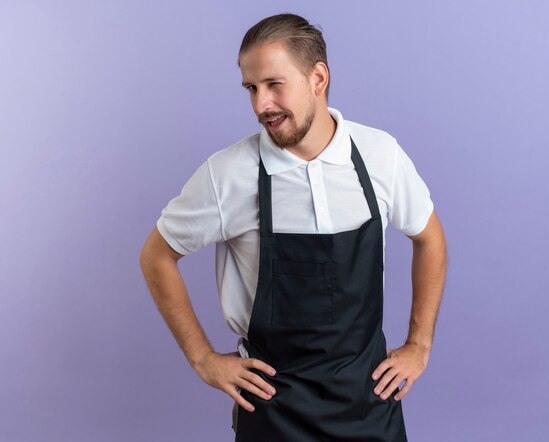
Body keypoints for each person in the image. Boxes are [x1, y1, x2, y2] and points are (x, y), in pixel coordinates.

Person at [139, 13, 447, 442]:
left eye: (273, 84)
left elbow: (429, 237)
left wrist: (419, 345)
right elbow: (156, 255)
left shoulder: (379, 155)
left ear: (318, 78)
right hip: (274, 408)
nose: (260, 104)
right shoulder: (228, 174)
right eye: (251, 88)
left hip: (369, 402)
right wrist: (203, 358)